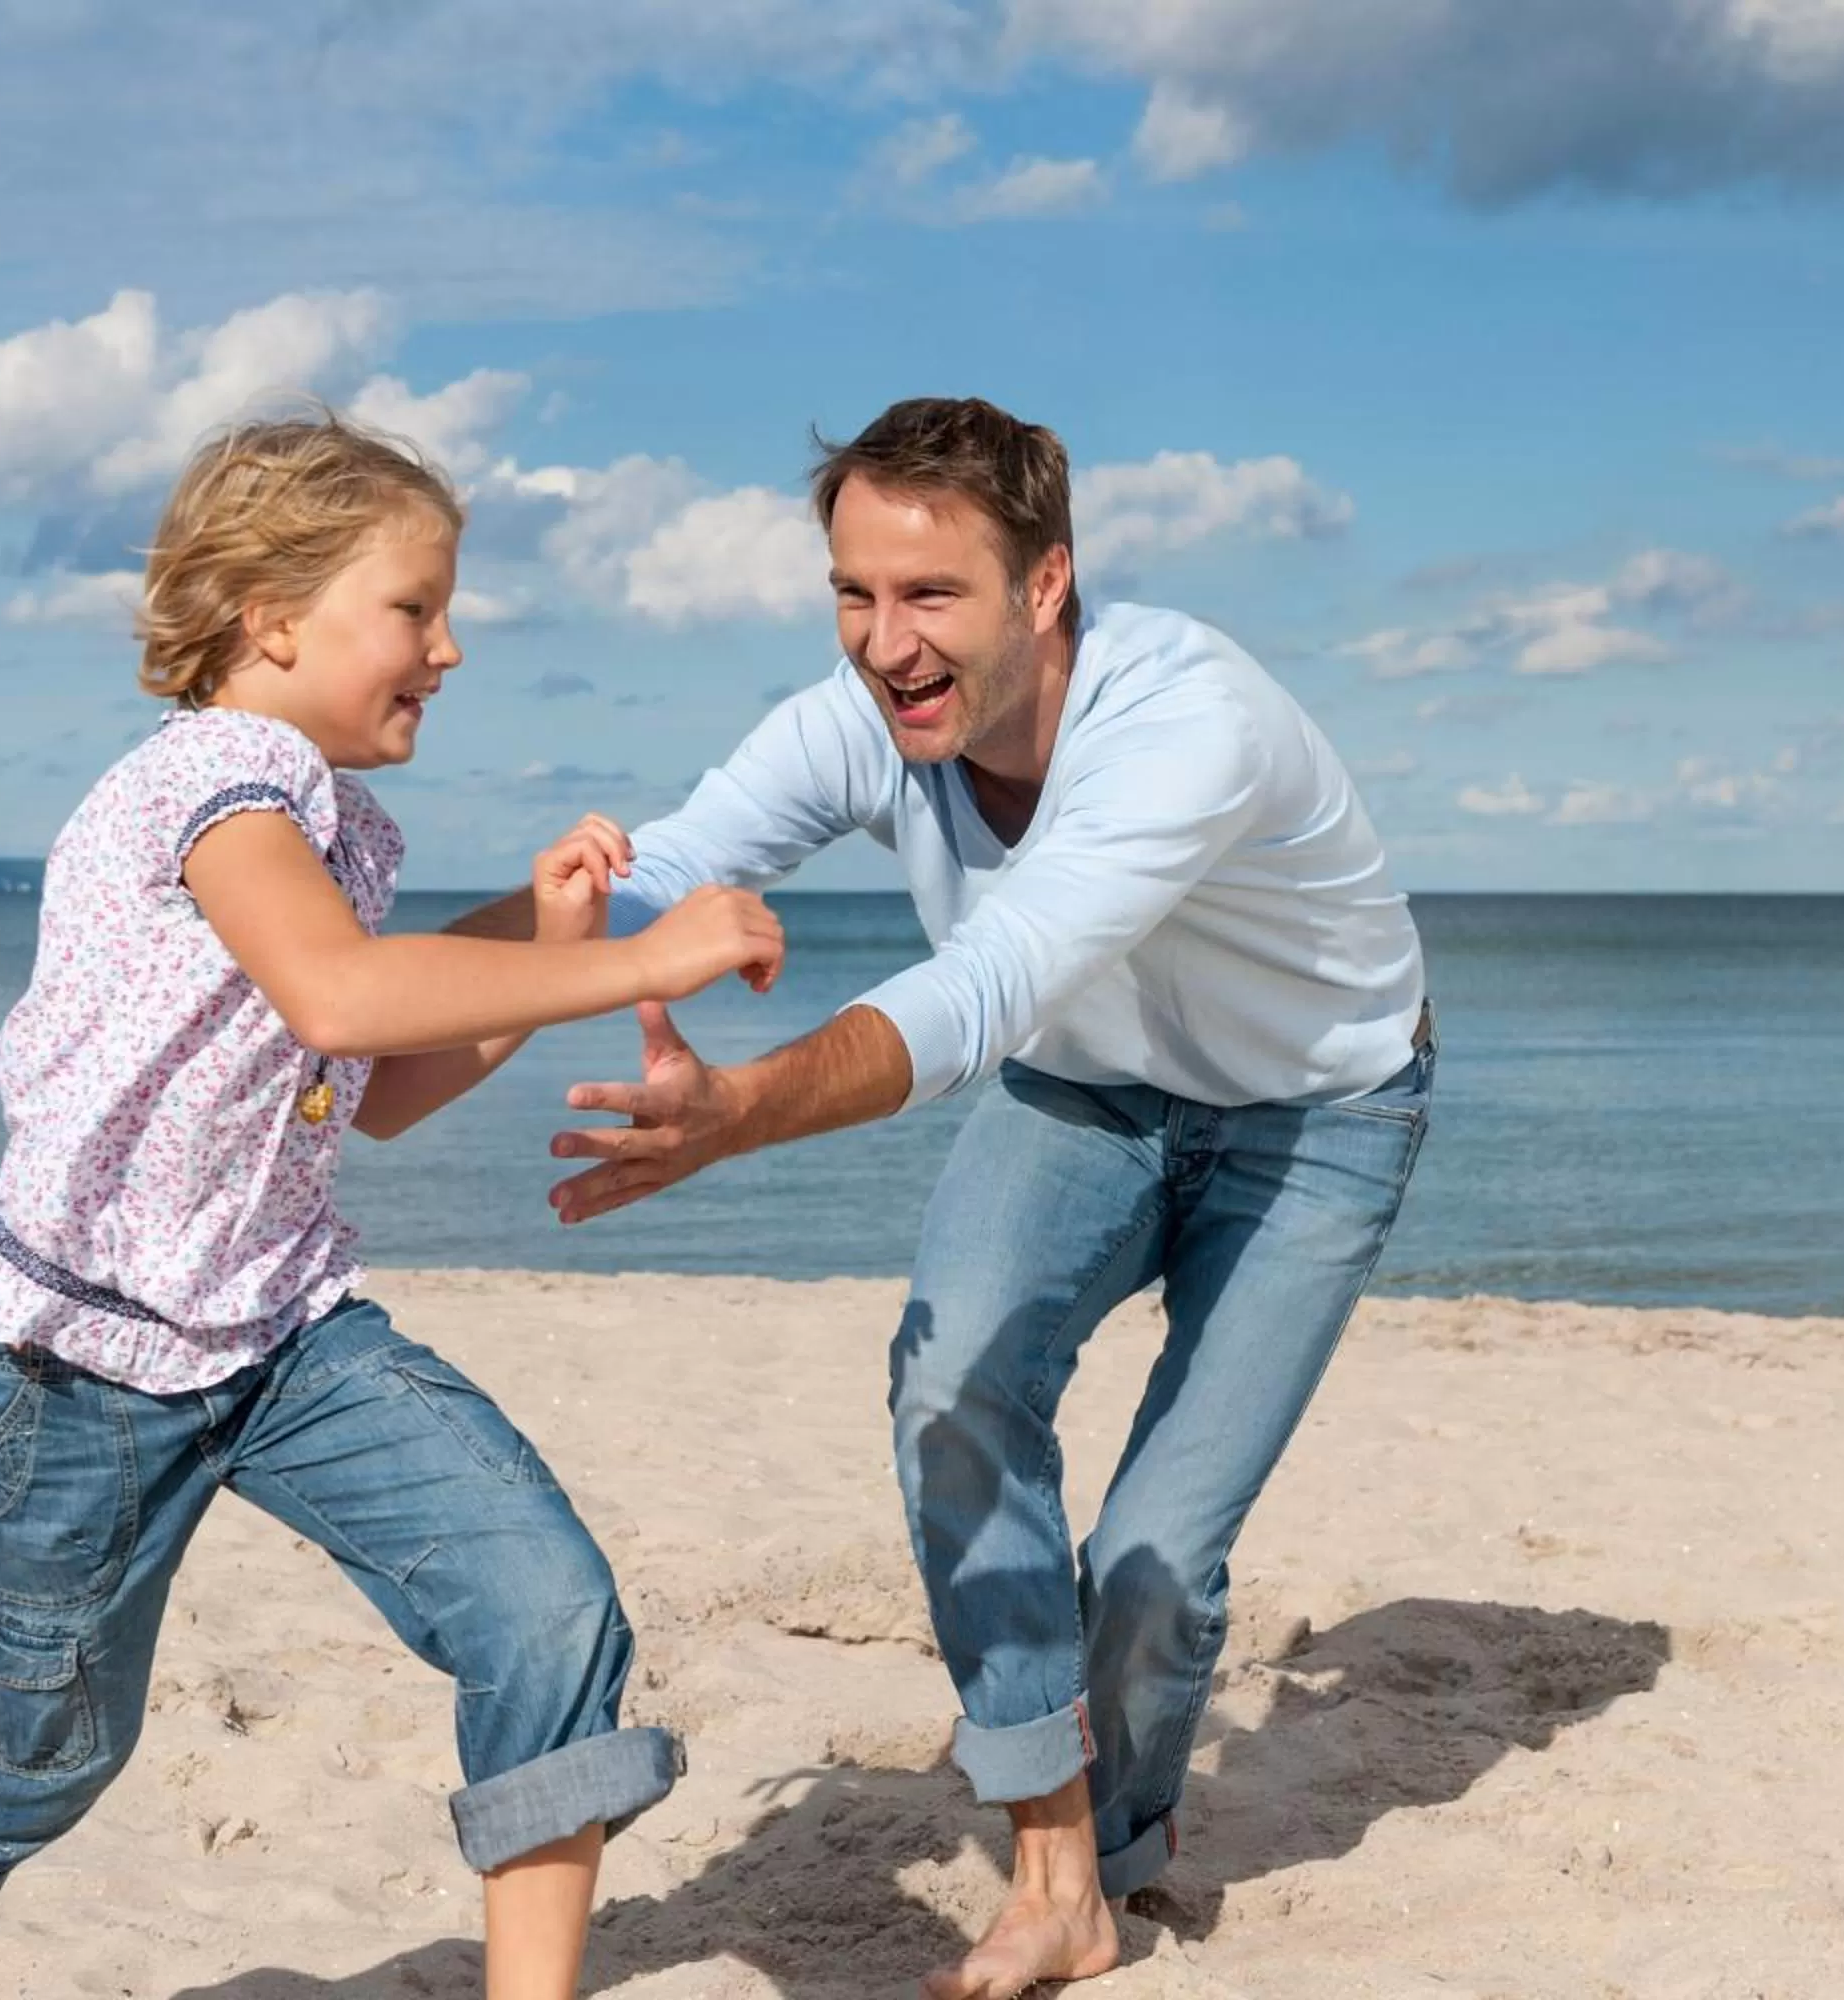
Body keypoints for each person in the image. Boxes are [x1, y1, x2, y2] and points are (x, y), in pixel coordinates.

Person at [0, 409, 785, 2000]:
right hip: (80, 1376)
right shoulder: (221, 780)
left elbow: (376, 1085)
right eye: (415, 607)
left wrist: (543, 941)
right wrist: (645, 956)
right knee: (48, 1748)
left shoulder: (323, 824)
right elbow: (342, 997)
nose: (452, 647)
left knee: (544, 1607)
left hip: (284, 1336)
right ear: (271, 617)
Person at [538, 397, 1432, 1998]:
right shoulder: (860, 718)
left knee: (1156, 1556)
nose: (885, 645)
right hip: (1086, 1091)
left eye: (930, 595)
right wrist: (482, 943)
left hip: (1318, 1111)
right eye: (853, 595)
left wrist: (736, 1113)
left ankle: (1121, 1853)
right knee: (955, 1391)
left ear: (1045, 585)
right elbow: (669, 872)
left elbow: (988, 983)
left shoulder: (1184, 723)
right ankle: (1059, 1868)